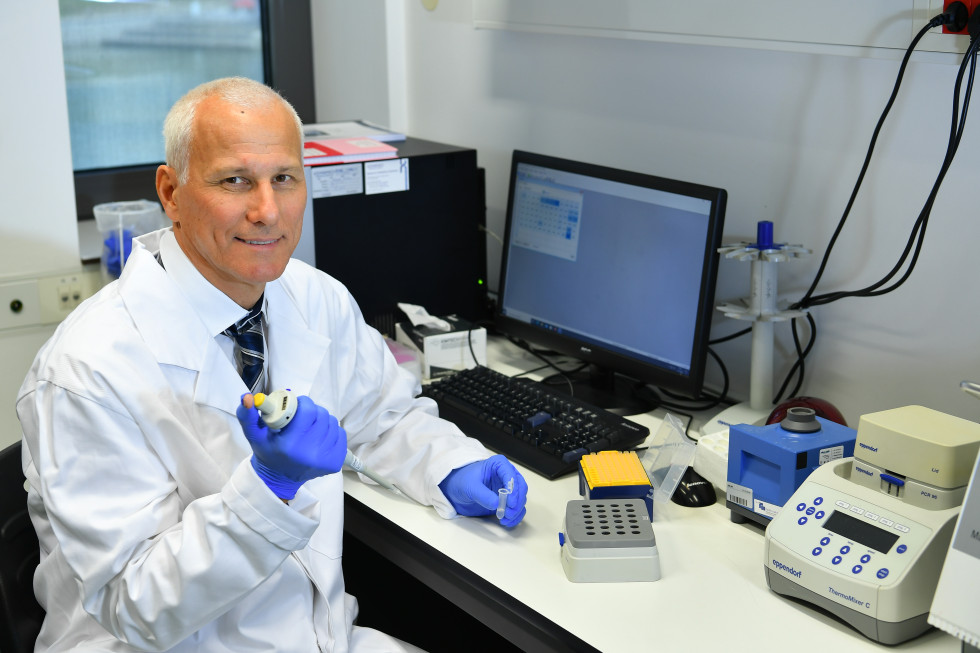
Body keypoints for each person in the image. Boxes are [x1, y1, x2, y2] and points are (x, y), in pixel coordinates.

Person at [16, 76, 528, 652]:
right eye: (235, 180)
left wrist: (451, 463)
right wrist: (268, 489)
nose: (267, 210)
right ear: (171, 191)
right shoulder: (86, 370)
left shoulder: (314, 298)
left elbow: (382, 417)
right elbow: (135, 605)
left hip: (320, 634)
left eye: (284, 178)